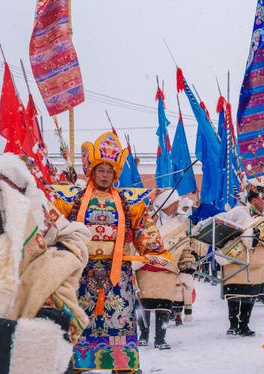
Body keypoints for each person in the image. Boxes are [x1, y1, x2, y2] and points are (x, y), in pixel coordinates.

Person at [0, 117, 91, 374]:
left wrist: (62, 264)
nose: (2, 182)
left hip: (1, 330)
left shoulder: (20, 207)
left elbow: (70, 240)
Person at [52, 131, 168, 374]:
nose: (105, 175)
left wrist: (153, 248)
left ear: (115, 174)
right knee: (79, 323)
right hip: (81, 277)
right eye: (100, 170)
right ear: (92, 172)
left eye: (109, 171)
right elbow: (55, 224)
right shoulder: (73, 197)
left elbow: (143, 226)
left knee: (121, 324)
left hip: (118, 277)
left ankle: (123, 367)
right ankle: (76, 367)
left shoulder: (128, 200)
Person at [136, 189, 195, 349]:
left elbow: (185, 246)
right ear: (166, 204)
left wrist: (187, 268)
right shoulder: (147, 221)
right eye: (174, 202)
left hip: (168, 270)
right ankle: (143, 334)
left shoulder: (180, 223)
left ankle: (160, 338)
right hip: (145, 268)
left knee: (164, 306)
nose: (177, 205)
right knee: (144, 305)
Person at [218, 188, 264, 337]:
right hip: (235, 260)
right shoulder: (238, 212)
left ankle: (244, 325)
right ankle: (233, 325)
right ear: (254, 200)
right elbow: (223, 228)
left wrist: (260, 234)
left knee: (250, 295)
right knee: (234, 294)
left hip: (256, 263)